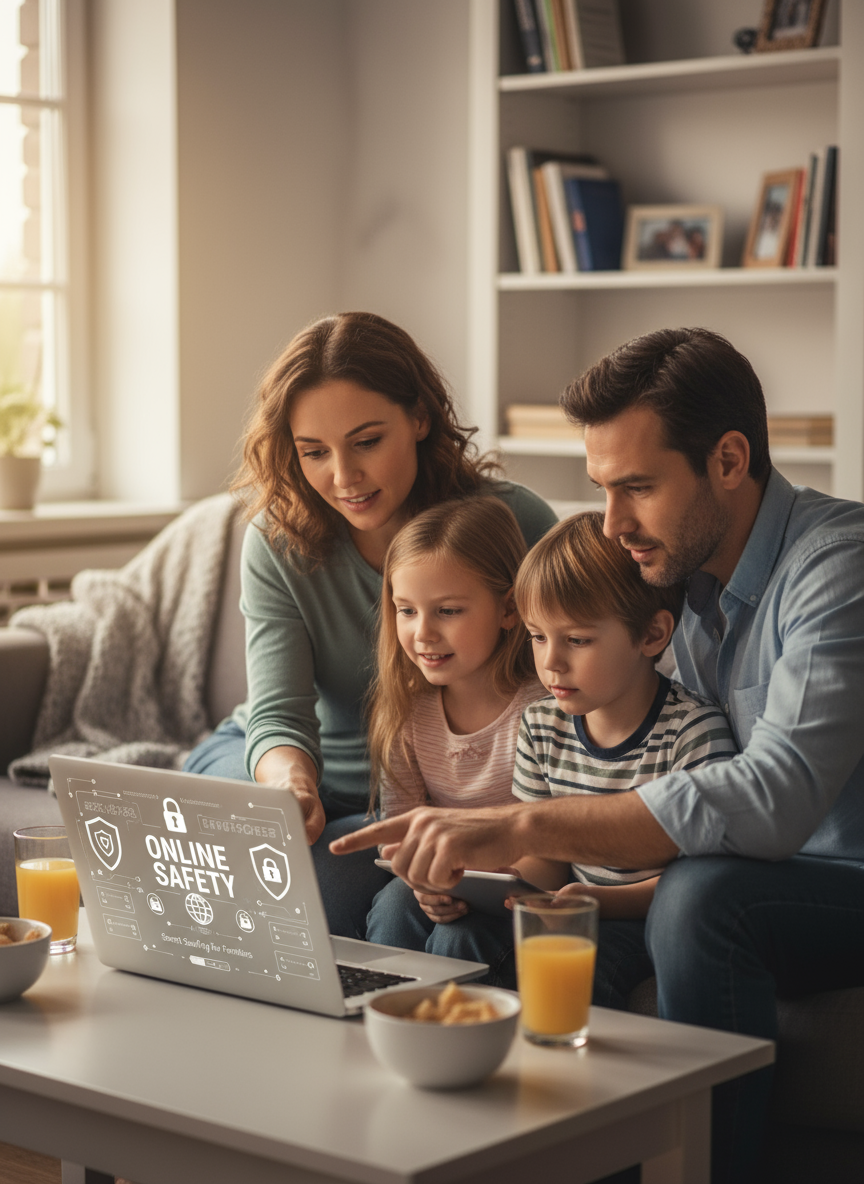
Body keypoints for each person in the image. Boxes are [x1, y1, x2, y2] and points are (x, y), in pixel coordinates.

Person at [331, 327, 864, 1183]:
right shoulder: (664, 583)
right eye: (602, 491)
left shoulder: (837, 567)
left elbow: (776, 798)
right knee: (373, 883)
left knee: (700, 895)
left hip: (839, 875)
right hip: (734, 871)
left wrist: (522, 823)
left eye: (638, 488)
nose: (612, 524)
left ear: (729, 461)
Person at [182, 311, 558, 940]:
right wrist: (293, 787)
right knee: (226, 846)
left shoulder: (512, 524)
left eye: (366, 441)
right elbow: (277, 718)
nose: (343, 476)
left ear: (419, 418)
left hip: (419, 796)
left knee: (330, 894)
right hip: (290, 769)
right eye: (313, 452)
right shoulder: (277, 542)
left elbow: (577, 680)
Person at [512, 510, 736, 923]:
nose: (551, 662)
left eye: (577, 640)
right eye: (538, 636)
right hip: (573, 914)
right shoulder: (539, 727)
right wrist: (500, 886)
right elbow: (543, 860)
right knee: (456, 934)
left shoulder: (692, 733)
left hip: (652, 925)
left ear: (652, 635)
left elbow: (707, 876)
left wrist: (599, 902)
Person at [364, 495, 546, 980]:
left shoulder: (543, 707)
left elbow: (553, 843)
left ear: (509, 609)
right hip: (441, 878)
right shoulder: (408, 710)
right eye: (406, 611)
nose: (422, 633)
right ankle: (378, 1021)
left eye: (446, 610)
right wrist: (420, 880)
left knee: (457, 938)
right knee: (394, 905)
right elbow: (399, 833)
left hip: (519, 889)